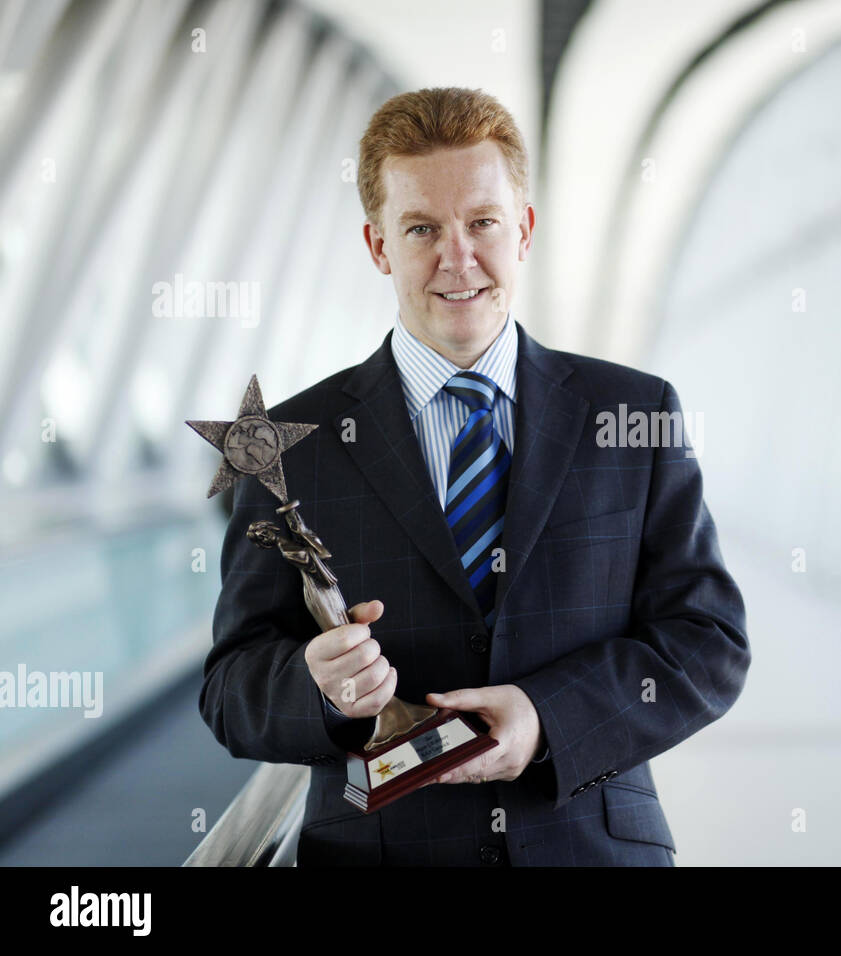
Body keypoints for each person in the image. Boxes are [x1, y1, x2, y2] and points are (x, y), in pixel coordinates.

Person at [199, 86, 750, 866]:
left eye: (482, 222)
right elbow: (231, 687)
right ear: (379, 246)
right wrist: (316, 689)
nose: (457, 258)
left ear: (523, 229)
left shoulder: (634, 412)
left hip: (589, 848)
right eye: (422, 228)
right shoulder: (286, 445)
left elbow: (708, 640)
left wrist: (547, 717)